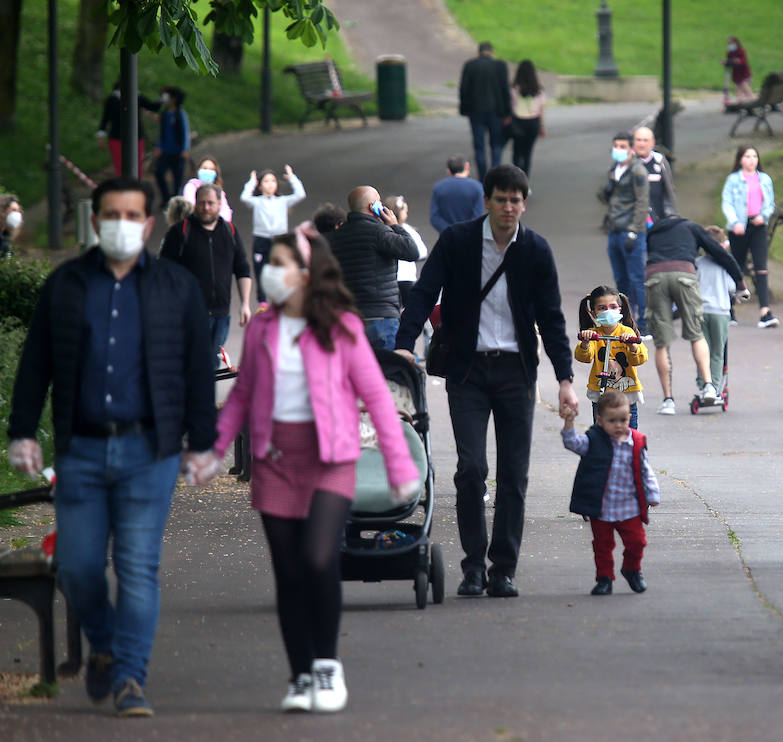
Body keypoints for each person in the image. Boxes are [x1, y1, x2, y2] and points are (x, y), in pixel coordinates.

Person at [7, 175, 217, 717]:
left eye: (132, 216)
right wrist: (22, 430)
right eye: (111, 215)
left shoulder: (175, 286)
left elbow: (198, 368)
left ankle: (129, 678)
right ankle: (102, 644)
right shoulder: (67, 284)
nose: (121, 225)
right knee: (77, 567)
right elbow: (37, 361)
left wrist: (203, 443)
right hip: (81, 450)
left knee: (137, 566)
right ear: (96, 221)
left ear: (147, 225)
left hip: (150, 451)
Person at [196, 225, 421, 713]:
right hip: (275, 463)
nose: (270, 273)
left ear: (307, 273)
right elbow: (243, 394)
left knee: (319, 558)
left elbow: (376, 397)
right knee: (289, 572)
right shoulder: (262, 327)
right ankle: (300, 674)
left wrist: (400, 464)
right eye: (269, 265)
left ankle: (327, 667)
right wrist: (213, 450)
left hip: (330, 460)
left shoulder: (342, 326)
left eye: (281, 265)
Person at [394, 164, 578, 599]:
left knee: (514, 474)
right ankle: (473, 565)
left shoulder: (535, 249)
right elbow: (424, 292)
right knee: (472, 468)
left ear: (524, 204)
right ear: (487, 201)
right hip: (468, 371)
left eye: (516, 200)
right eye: (501, 199)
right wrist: (403, 345)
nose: (508, 207)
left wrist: (565, 378)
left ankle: (503, 569)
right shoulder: (457, 241)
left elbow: (552, 318)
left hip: (516, 372)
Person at [560, 390, 660, 596]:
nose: (618, 425)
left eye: (623, 420)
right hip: (602, 507)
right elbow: (572, 443)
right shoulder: (593, 440)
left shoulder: (636, 442)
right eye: (612, 421)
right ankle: (604, 578)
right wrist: (569, 422)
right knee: (602, 546)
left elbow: (645, 470)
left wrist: (652, 494)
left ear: (629, 418)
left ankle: (632, 569)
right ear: (600, 421)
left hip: (629, 508)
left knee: (637, 542)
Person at [645, 213, 745, 415]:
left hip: (655, 276)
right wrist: (740, 283)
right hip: (684, 274)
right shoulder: (691, 227)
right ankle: (708, 386)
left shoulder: (653, 231)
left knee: (661, 343)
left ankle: (668, 401)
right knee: (696, 334)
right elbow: (719, 252)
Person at [158, 184, 253, 359]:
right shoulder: (180, 232)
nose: (206, 208)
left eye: (210, 203)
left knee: (212, 363)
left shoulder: (230, 231)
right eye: (201, 203)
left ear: (219, 204)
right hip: (189, 313)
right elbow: (164, 273)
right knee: (194, 363)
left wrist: (245, 304)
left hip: (221, 315)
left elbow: (242, 269)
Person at [326, 186, 419, 351]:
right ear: (373, 206)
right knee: (384, 365)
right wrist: (395, 225)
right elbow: (412, 251)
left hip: (349, 316)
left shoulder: (337, 236)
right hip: (382, 315)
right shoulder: (380, 232)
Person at [575, 286, 648, 431]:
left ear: (620, 309)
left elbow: (640, 359)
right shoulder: (593, 334)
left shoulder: (627, 332)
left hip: (626, 394)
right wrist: (585, 343)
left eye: (613, 307)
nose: (608, 311)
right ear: (593, 313)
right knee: (602, 432)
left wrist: (632, 345)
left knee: (630, 432)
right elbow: (584, 357)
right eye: (602, 308)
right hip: (601, 394)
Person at [721, 144, 779, 328]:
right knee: (736, 267)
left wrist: (764, 215)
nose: (751, 160)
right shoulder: (733, 180)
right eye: (747, 156)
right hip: (739, 227)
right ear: (740, 160)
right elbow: (727, 203)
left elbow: (770, 203)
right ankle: (730, 310)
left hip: (758, 226)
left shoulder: (764, 179)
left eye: (754, 156)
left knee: (761, 268)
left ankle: (765, 312)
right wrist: (735, 222)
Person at [598, 131, 649, 331]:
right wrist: (607, 189)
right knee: (621, 279)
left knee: (636, 278)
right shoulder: (614, 169)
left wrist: (634, 231)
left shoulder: (638, 171)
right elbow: (606, 198)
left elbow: (642, 202)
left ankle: (643, 322)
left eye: (622, 146)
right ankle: (627, 320)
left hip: (631, 231)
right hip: (614, 230)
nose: (618, 150)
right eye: (616, 146)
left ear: (631, 149)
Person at [241, 165, 308, 301]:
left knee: (281, 270)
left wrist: (292, 178)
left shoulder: (283, 201)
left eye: (273, 181)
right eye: (266, 181)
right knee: (260, 270)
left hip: (279, 239)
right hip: (261, 239)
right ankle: (262, 302)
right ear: (260, 186)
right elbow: (244, 198)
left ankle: (281, 298)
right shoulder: (257, 201)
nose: (270, 184)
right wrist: (251, 183)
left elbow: (301, 194)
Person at [696, 225, 740, 403]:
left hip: (701, 311)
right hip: (720, 311)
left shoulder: (698, 263)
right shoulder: (725, 263)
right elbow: (732, 287)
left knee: (702, 350)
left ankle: (702, 385)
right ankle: (713, 387)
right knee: (717, 351)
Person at [458, 41, 512, 180]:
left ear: (478, 52)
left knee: (479, 146)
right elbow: (505, 90)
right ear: (491, 52)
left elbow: (464, 89)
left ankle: (483, 177)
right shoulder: (500, 66)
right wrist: (508, 112)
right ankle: (495, 175)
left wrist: (464, 109)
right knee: (496, 144)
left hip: (475, 111)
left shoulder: (470, 65)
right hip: (496, 111)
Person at [97, 86, 156, 176]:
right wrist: (101, 137)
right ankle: (123, 184)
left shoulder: (137, 96)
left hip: (136, 137)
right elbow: (105, 119)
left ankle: (135, 184)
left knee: (137, 165)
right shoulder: (112, 100)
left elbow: (153, 107)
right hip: (117, 138)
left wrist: (164, 99)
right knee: (120, 166)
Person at [385, 194, 427, 306]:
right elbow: (422, 252)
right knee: (408, 308)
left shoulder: (382, 230)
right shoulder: (408, 231)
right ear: (399, 212)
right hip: (406, 277)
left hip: (387, 280)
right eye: (405, 211)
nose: (407, 214)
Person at [152, 87, 191, 205]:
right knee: (159, 173)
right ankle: (166, 198)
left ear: (174, 99)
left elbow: (185, 132)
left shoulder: (180, 114)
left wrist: (185, 149)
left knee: (177, 178)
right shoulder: (164, 114)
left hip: (178, 152)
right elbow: (162, 132)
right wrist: (159, 146)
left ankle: (175, 201)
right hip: (165, 151)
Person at [430, 154, 487, 234]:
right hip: (469, 235)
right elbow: (478, 216)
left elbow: (434, 217)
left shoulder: (439, 187)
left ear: (448, 171)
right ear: (467, 166)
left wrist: (450, 231)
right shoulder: (477, 187)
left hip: (448, 236)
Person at [507, 60, 546, 176]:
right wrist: (542, 126)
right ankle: (525, 179)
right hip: (533, 122)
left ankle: (515, 177)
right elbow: (540, 110)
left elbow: (510, 105)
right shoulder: (538, 90)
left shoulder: (514, 89)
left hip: (518, 121)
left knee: (517, 152)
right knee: (528, 153)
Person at [632, 126, 678, 222]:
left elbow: (669, 191)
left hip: (658, 218)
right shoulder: (627, 162)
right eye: (639, 140)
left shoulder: (660, 160)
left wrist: (672, 217)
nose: (642, 144)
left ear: (653, 143)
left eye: (645, 140)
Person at [181, 154, 233, 222]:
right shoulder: (191, 187)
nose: (208, 171)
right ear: (198, 170)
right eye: (205, 168)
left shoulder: (219, 192)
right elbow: (190, 206)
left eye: (211, 169)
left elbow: (226, 211)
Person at [722, 35, 754, 103]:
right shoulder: (730, 52)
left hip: (743, 71)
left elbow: (743, 60)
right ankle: (740, 98)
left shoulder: (740, 50)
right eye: (728, 44)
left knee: (744, 84)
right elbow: (729, 61)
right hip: (736, 72)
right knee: (737, 85)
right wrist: (725, 62)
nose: (730, 45)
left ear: (736, 43)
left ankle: (752, 97)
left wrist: (737, 61)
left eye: (731, 43)